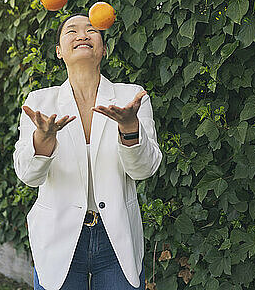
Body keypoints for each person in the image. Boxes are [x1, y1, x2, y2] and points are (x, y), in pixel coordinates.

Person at [13, 14, 163, 290]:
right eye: (72, 31)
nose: (82, 35)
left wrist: (130, 127)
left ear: (103, 48)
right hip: (58, 238)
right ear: (59, 51)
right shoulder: (39, 102)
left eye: (91, 30)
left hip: (117, 238)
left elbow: (143, 170)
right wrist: (43, 139)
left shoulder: (131, 97)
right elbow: (27, 175)